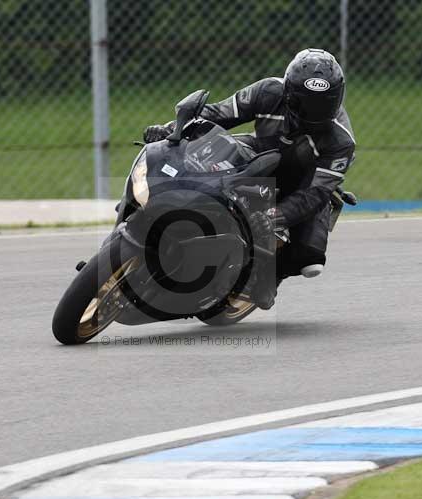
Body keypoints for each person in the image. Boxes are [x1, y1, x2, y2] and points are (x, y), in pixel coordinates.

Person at [144, 49, 356, 309]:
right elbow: (216, 114)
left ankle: (270, 274)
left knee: (310, 258)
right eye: (304, 103)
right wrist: (169, 130)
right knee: (201, 154)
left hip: (303, 181)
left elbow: (315, 194)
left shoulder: (341, 141)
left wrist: (274, 216)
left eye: (324, 105)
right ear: (289, 92)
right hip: (261, 153)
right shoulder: (268, 91)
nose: (313, 113)